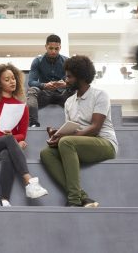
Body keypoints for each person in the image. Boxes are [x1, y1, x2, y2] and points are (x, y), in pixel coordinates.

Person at [40, 55, 118, 207]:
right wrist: (58, 135)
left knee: (67, 142)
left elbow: (95, 128)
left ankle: (74, 200)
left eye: (69, 76)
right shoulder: (69, 101)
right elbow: (72, 129)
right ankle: (83, 197)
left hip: (105, 143)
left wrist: (64, 138)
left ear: (81, 77)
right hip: (78, 144)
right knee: (46, 153)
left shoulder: (100, 95)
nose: (66, 80)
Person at [0, 63, 49, 206]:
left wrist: (12, 140)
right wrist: (11, 139)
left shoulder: (22, 106)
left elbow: (22, 134)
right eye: (7, 79)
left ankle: (4, 200)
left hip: (7, 147)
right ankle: (29, 181)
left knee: (6, 155)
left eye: (13, 78)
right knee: (7, 141)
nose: (12, 81)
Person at [26, 34, 75, 127]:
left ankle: (75, 123)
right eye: (51, 48)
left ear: (60, 47)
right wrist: (44, 85)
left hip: (62, 95)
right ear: (46, 47)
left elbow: (73, 81)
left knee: (75, 90)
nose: (53, 51)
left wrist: (66, 84)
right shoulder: (37, 61)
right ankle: (33, 123)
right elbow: (31, 81)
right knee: (32, 90)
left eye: (56, 49)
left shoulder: (67, 61)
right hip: (45, 94)